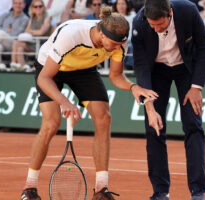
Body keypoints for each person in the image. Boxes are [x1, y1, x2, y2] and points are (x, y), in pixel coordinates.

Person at [20, 5, 158, 200]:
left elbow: (116, 76)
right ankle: (29, 188)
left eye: (120, 45)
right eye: (113, 44)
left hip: (84, 70)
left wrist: (133, 87)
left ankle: (101, 189)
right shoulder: (72, 35)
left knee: (104, 118)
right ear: (101, 34)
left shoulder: (120, 42)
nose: (117, 48)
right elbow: (44, 78)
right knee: (51, 123)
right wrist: (65, 102)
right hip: (50, 69)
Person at [132, 0, 205, 199]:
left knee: (193, 125)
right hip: (156, 71)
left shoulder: (188, 11)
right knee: (154, 127)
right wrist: (148, 103)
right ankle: (160, 191)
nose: (156, 29)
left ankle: (197, 190)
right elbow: (140, 64)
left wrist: (196, 87)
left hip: (186, 70)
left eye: (160, 24)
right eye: (153, 25)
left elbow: (203, 46)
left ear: (170, 13)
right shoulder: (139, 22)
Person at [10, 0, 51, 71]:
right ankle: (21, 68)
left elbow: (41, 32)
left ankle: (13, 65)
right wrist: (34, 32)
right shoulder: (32, 18)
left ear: (43, 7)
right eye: (35, 6)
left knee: (16, 44)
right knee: (19, 48)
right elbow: (26, 31)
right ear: (32, 8)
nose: (38, 8)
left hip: (41, 44)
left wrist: (31, 32)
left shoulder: (47, 18)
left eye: (40, 6)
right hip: (31, 42)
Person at [0, 0, 29, 69]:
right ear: (12, 5)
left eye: (20, 3)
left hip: (13, 44)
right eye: (15, 3)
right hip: (0, 42)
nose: (17, 5)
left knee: (0, 33)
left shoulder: (25, 19)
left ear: (24, 5)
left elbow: (17, 33)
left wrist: (3, 32)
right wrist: (6, 30)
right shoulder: (5, 15)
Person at [113, 0, 136, 70]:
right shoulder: (112, 17)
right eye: (119, 4)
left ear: (127, 5)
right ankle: (124, 67)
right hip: (117, 41)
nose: (121, 6)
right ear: (116, 6)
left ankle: (130, 68)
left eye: (123, 4)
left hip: (131, 40)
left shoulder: (133, 15)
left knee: (131, 46)